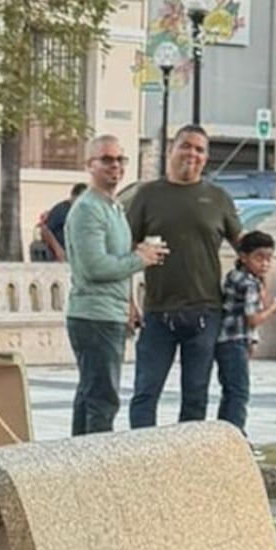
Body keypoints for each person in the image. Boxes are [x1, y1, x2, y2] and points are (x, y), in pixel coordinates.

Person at [126, 126, 243, 426]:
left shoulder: (217, 198)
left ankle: (187, 462)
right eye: (186, 146)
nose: (192, 154)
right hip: (157, 312)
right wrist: (127, 302)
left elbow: (245, 248)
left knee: (195, 395)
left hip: (205, 312)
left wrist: (256, 291)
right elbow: (124, 251)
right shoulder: (147, 195)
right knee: (145, 392)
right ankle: (142, 457)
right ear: (171, 150)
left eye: (200, 150)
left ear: (206, 158)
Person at [64, 136, 165, 436]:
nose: (116, 166)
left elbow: (118, 262)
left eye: (121, 160)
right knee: (102, 400)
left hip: (111, 313)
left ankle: (78, 466)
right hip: (93, 316)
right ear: (89, 165)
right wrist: (140, 259)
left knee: (90, 395)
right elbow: (94, 267)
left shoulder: (115, 208)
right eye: (107, 160)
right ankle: (95, 468)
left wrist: (130, 304)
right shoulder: (87, 210)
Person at [215, 230, 276, 436]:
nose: (265, 264)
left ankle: (225, 435)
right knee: (238, 392)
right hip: (234, 340)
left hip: (226, 339)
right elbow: (252, 318)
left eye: (268, 259)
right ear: (243, 257)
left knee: (230, 390)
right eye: (259, 257)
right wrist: (274, 308)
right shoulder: (248, 283)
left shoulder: (235, 277)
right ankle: (236, 436)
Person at [35, 182, 87, 263]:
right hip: (61, 254)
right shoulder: (62, 210)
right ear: (74, 196)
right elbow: (45, 229)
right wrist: (58, 250)